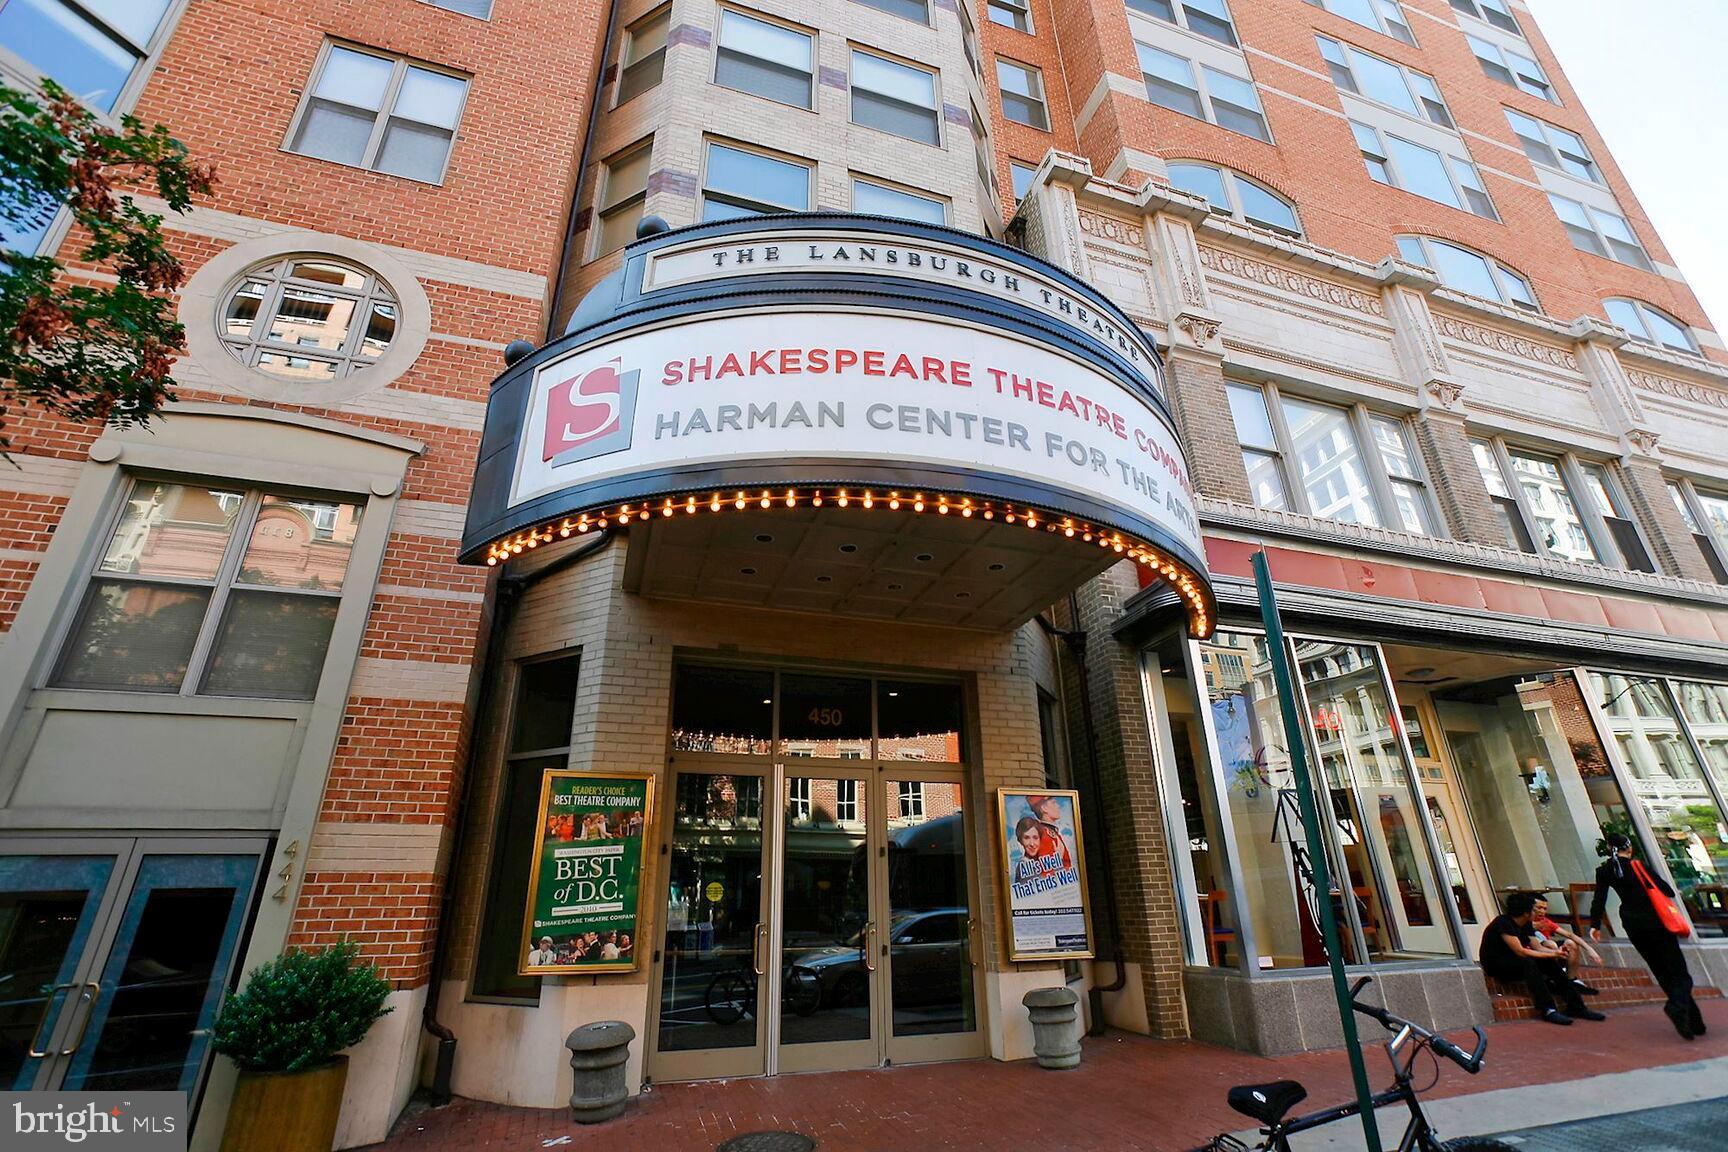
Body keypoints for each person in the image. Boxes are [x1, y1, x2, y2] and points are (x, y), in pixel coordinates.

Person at [1590, 833, 1705, 1040]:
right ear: (1629, 848)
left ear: (1610, 849)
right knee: (1679, 972)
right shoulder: (1637, 866)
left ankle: (1693, 1022)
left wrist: (1594, 925)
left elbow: (1599, 899)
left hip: (1632, 924)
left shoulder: (1605, 871)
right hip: (1656, 921)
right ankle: (1676, 1006)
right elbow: (1666, 890)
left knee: (1661, 971)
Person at [1479, 892, 1603, 1026]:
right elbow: (1521, 951)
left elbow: (1537, 948)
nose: (1538, 912)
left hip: (1516, 960)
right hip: (1496, 965)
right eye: (1535, 909)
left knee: (1547, 962)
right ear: (1526, 912)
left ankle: (1577, 1006)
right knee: (1528, 963)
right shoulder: (1503, 923)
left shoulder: (1525, 924)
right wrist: (1554, 954)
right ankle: (1548, 1009)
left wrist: (1557, 952)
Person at [1530, 896, 1601, 995]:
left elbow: (1569, 934)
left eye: (1545, 908)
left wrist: (1589, 949)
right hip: (1536, 953)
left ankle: (1572, 979)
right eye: (1539, 908)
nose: (1542, 911)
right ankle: (1554, 977)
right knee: (1551, 944)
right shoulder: (1525, 922)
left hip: (1551, 950)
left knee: (1570, 943)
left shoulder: (1546, 922)